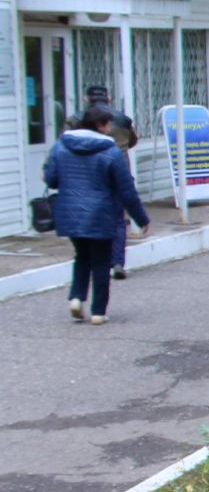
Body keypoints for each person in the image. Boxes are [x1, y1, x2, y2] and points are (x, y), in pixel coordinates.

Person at [43, 105, 150, 325]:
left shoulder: (61, 146)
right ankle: (98, 312)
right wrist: (141, 218)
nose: (111, 128)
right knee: (101, 262)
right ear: (100, 125)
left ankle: (76, 298)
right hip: (101, 213)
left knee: (82, 256)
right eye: (108, 123)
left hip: (70, 212)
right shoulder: (110, 151)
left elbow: (52, 180)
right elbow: (125, 189)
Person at [84, 87, 138, 280]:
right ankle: (117, 262)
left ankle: (94, 260)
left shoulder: (78, 119)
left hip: (91, 174)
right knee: (118, 219)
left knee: (90, 216)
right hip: (120, 173)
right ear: (108, 98)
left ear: (86, 99)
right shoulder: (123, 119)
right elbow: (132, 141)